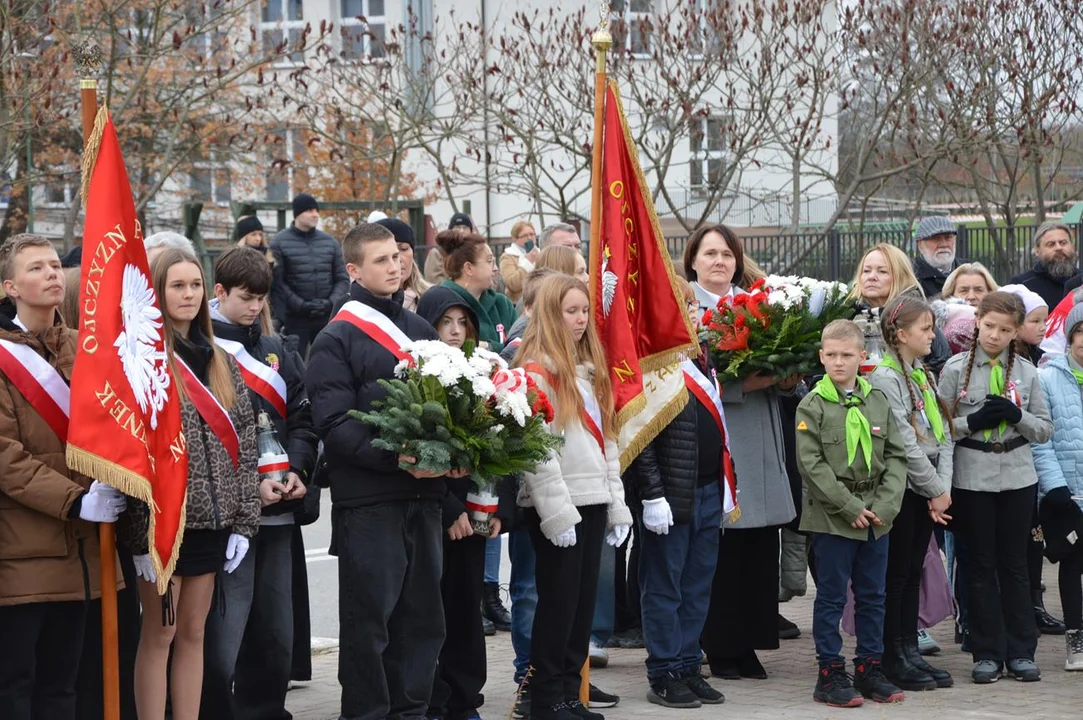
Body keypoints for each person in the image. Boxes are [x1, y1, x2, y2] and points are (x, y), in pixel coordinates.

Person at [305, 222, 449, 719]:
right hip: (369, 502)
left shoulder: (421, 332)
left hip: (425, 499)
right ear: (354, 270)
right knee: (371, 626)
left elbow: (454, 407)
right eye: (382, 260)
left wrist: (449, 461)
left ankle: (410, 711)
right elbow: (334, 422)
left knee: (424, 622)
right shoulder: (334, 338)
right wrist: (399, 458)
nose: (396, 266)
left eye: (398, 257)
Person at [127, 247, 261, 720]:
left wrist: (245, 520)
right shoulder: (143, 360)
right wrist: (139, 529)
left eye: (195, 285)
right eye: (177, 286)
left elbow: (244, 445)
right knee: (159, 633)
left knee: (194, 633)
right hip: (163, 523)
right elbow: (134, 453)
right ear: (158, 293)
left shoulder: (221, 360)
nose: (188, 294)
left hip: (212, 522)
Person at [0, 235, 127, 719]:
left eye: (56, 265)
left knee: (65, 686)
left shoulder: (86, 346)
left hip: (84, 552)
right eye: (36, 268)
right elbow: (7, 457)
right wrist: (77, 499)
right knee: (15, 686)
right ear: (9, 285)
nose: (53, 274)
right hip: (22, 551)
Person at [200, 247, 318, 720]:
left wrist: (300, 471)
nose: (254, 308)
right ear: (220, 293)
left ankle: (267, 711)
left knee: (276, 630)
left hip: (281, 508)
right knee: (225, 631)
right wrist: (248, 483)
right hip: (231, 515)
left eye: (261, 299)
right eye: (246, 298)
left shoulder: (276, 349)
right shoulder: (202, 351)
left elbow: (306, 421)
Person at [513, 274, 633, 720]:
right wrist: (556, 512)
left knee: (581, 609)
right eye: (571, 311)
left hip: (594, 499)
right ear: (549, 313)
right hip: (562, 506)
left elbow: (608, 444)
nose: (581, 320)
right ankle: (546, 698)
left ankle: (568, 693)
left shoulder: (588, 371)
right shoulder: (535, 371)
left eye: (584, 311)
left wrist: (616, 504)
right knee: (558, 607)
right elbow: (535, 449)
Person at [686, 224, 797, 680]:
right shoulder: (684, 310)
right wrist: (743, 384)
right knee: (724, 550)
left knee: (757, 547)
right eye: (709, 253)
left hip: (762, 432)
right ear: (692, 260)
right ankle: (721, 644)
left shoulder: (757, 305)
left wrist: (790, 375)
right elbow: (682, 378)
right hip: (721, 436)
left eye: (727, 254)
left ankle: (750, 640)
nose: (719, 261)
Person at [937, 291, 1053, 684]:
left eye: (1005, 330)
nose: (995, 336)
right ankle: (986, 651)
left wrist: (1017, 415)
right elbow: (942, 428)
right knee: (978, 564)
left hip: (1018, 477)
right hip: (972, 478)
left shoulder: (1027, 371)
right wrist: (974, 422)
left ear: (1015, 331)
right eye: (989, 327)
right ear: (978, 322)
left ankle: (1021, 650)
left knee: (1016, 564)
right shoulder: (954, 369)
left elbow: (1044, 429)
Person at [796, 319, 908, 707]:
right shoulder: (812, 404)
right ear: (821, 357)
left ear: (863, 357)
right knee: (830, 596)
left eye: (847, 355)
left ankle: (869, 667)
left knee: (873, 595)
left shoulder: (876, 399)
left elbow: (895, 455)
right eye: (832, 355)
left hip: (876, 516)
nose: (839, 362)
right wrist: (848, 506)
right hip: (834, 516)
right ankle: (829, 672)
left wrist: (887, 505)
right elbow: (812, 465)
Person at [629, 277, 727, 709]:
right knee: (665, 586)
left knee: (697, 584)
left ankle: (689, 664)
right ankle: (664, 670)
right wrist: (651, 494)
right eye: (682, 307)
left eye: (692, 307)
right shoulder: (654, 364)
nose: (691, 313)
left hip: (708, 486)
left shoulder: (701, 358)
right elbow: (641, 437)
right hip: (670, 495)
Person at [417, 286, 514, 720]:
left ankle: (464, 698)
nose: (455, 332)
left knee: (465, 610)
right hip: (432, 512)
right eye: (446, 323)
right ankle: (433, 698)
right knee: (429, 612)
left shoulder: (487, 370)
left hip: (476, 512)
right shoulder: (416, 370)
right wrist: (448, 507)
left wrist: (498, 512)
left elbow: (505, 448)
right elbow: (417, 449)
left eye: (463, 323)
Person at [869, 295, 955, 691]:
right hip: (905, 489)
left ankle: (909, 650)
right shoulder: (886, 378)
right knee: (898, 575)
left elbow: (944, 434)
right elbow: (904, 443)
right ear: (901, 334)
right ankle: (893, 654)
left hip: (928, 488)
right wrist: (936, 489)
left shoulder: (923, 373)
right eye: (925, 328)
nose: (932, 334)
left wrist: (943, 490)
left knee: (912, 573)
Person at [997, 284, 1066, 636]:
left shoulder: (1035, 361)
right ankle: (1019, 609)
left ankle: (1034, 605)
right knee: (1016, 548)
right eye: (1035, 320)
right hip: (1009, 468)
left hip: (1032, 472)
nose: (1043, 327)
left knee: (1034, 542)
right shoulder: (1013, 365)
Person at [1032, 302, 1083, 671]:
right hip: (1069, 491)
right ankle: (1075, 640)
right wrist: (1056, 486)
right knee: (1072, 563)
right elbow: (1041, 441)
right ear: (1071, 337)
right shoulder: (1047, 377)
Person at [849, 243, 951, 374]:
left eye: (882, 271)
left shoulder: (919, 317)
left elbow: (941, 369)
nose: (871, 277)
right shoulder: (848, 315)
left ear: (901, 277)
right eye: (866, 271)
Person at [269, 193, 350, 356]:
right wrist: (300, 305)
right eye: (310, 210)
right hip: (295, 318)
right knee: (294, 361)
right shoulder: (279, 242)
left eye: (316, 210)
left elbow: (342, 278)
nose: (315, 214)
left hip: (326, 316)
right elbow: (278, 282)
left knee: (329, 360)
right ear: (298, 214)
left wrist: (330, 303)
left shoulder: (330, 242)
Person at [438, 231, 517, 352]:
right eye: (489, 261)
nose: (495, 269)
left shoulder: (502, 304)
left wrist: (488, 346)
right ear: (468, 268)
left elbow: (521, 348)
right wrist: (501, 348)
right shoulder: (441, 302)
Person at [1009, 221, 1083, 310]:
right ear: (1037, 250)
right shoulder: (1022, 285)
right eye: (1051, 244)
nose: (1058, 248)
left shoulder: (1080, 280)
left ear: (1072, 247)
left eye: (1063, 243)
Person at [378, 217, 431, 312]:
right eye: (386, 251)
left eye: (403, 249)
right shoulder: (354, 308)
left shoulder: (432, 299)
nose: (397, 259)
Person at [912, 216, 964, 299]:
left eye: (948, 238)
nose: (943, 244)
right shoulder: (911, 276)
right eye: (936, 239)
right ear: (920, 245)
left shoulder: (970, 270)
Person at [425, 213, 475, 284]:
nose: (461, 231)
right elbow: (433, 280)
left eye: (465, 227)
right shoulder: (438, 252)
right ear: (450, 230)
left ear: (471, 231)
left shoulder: (475, 251)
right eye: (457, 227)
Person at [501, 220, 539, 304]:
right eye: (525, 235)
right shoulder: (508, 256)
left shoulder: (541, 253)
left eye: (532, 234)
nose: (529, 238)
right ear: (516, 239)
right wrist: (528, 262)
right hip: (518, 304)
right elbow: (512, 284)